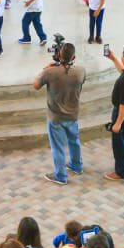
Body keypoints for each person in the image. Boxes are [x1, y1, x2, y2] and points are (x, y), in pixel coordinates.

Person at [35, 38, 85, 185]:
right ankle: (77, 165)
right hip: (73, 114)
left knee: (58, 147)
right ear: (74, 57)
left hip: (56, 117)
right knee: (74, 141)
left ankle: (61, 176)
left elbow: (36, 85)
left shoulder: (50, 72)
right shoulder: (81, 71)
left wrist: (46, 68)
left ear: (59, 56)